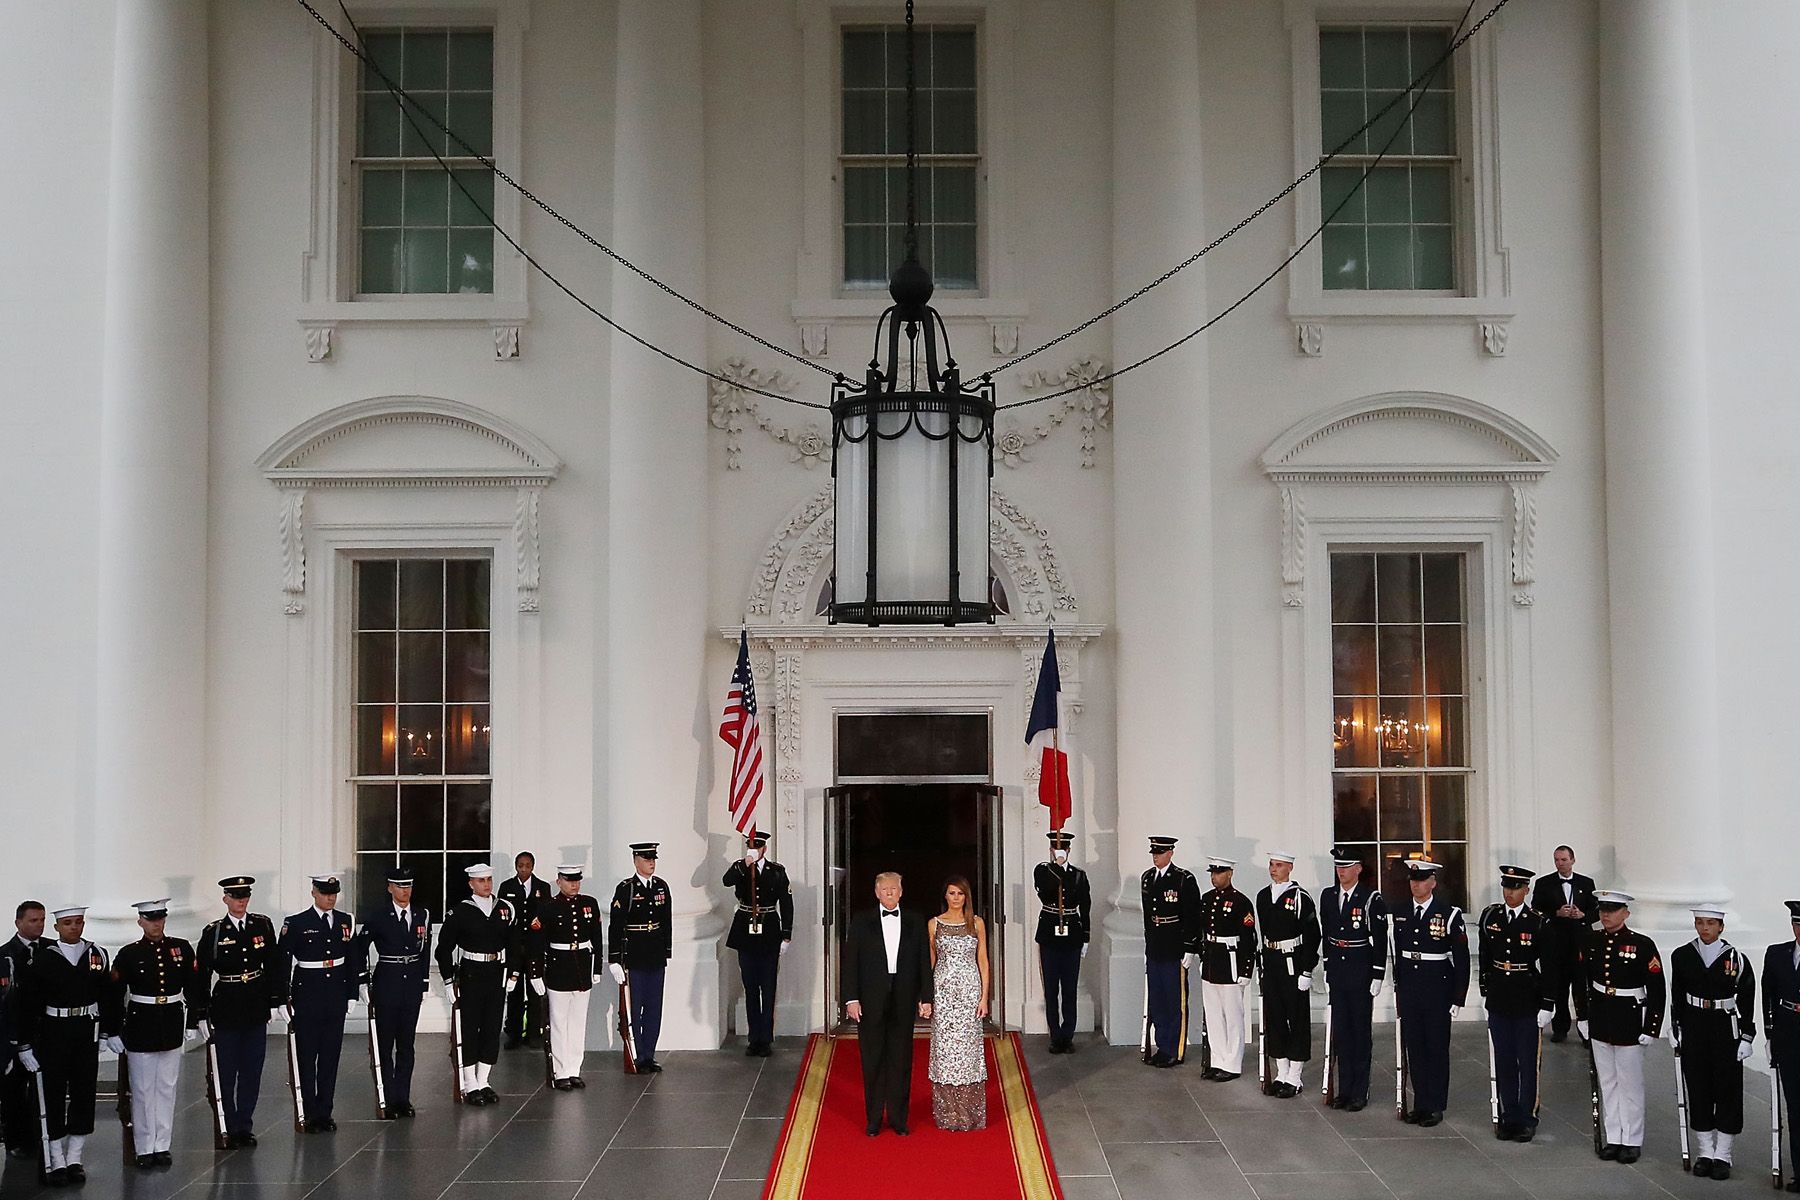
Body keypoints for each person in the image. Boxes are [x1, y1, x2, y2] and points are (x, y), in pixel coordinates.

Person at [12, 905, 118, 1185]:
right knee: (54, 1092)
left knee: (84, 1090)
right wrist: (24, 1045)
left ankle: (75, 1157)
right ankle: (56, 1157)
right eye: (68, 923)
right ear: (57, 927)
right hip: (54, 1031)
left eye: (79, 922)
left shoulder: (97, 954)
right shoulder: (43, 959)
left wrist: (108, 1031)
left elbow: (107, 995)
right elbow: (27, 1005)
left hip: (86, 1030)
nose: (74, 927)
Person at [109, 899, 201, 1169]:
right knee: (142, 1089)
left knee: (167, 1087)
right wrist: (112, 1030)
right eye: (150, 919)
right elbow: (116, 994)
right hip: (141, 1023)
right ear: (140, 922)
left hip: (171, 1020)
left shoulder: (180, 948)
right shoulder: (128, 954)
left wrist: (192, 1020)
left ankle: (162, 1144)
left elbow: (192, 986)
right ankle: (143, 1145)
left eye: (160, 918)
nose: (156, 924)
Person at [1573, 889, 1664, 1164]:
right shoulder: (1590, 940)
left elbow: (1657, 989)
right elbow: (1582, 981)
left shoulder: (1642, 944)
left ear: (1626, 913)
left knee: (1630, 1084)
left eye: (1612, 910)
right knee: (1608, 1082)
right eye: (1602, 910)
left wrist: (1651, 1027)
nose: (1606, 915)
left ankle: (1632, 1139)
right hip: (1601, 1015)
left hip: (1629, 1018)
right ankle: (1614, 1137)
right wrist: (1583, 1016)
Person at [193, 875, 282, 1147]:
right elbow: (201, 974)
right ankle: (227, 1124)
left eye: (245, 896)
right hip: (227, 1005)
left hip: (255, 1004)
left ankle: (244, 1125)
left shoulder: (262, 925)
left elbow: (274, 964)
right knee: (226, 1070)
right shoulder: (214, 932)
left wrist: (276, 1000)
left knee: (252, 1069)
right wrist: (200, 1012)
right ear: (226, 900)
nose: (241, 901)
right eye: (235, 897)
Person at [841, 872, 933, 1136]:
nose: (890, 893)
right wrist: (851, 998)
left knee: (901, 1059)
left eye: (894, 889)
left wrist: (926, 997)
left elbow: (923, 964)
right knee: (872, 1059)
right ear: (877, 893)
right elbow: (851, 963)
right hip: (870, 1000)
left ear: (901, 892)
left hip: (903, 998)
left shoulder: (915, 921)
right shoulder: (861, 921)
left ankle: (898, 1118)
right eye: (885, 889)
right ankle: (873, 1119)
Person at [1672, 903, 1756, 1180]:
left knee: (1727, 1089)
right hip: (1695, 1024)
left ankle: (1724, 1154)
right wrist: (1676, 1027)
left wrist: (1747, 1035)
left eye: (1710, 923)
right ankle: (1705, 1151)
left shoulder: (1737, 958)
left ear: (1721, 926)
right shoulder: (1682, 955)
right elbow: (1678, 995)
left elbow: (1746, 999)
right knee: (1698, 1086)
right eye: (1700, 923)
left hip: (1724, 1027)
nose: (1705, 928)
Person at [278, 871, 365, 1132]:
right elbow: (282, 962)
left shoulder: (344, 921)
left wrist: (352, 992)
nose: (330, 898)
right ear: (314, 893)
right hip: (308, 994)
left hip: (336, 993)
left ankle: (325, 1112)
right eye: (325, 893)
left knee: (330, 1055)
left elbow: (353, 958)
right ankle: (308, 1112)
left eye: (334, 894)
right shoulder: (296, 922)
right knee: (307, 1055)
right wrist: (282, 999)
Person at [1477, 865, 1554, 1142]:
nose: (1510, 893)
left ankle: (1527, 1116)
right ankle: (1508, 1114)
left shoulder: (1537, 921)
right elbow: (1485, 953)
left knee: (1527, 1061)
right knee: (1504, 1059)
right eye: (1507, 887)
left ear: (1526, 890)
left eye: (1515, 887)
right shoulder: (1491, 916)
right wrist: (1485, 986)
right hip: (1500, 995)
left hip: (1526, 996)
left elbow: (1549, 964)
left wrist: (1547, 1003)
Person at [1392, 858, 1468, 1127]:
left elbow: (1461, 959)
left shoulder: (1448, 913)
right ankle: (1420, 1102)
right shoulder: (1401, 912)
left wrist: (1459, 997)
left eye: (1422, 880)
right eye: (1413, 880)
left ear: (1433, 883)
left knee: (1435, 1048)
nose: (1416, 884)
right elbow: (1399, 954)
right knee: (1415, 1048)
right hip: (1411, 988)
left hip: (1437, 988)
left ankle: (1435, 1105)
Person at [436, 863, 520, 1104]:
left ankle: (484, 1080)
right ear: (471, 883)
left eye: (489, 880)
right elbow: (444, 949)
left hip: (496, 972)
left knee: (492, 1027)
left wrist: (513, 973)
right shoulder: (460, 912)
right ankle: (469, 1082)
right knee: (470, 1028)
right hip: (471, 972)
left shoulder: (505, 908)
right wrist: (448, 980)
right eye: (481, 881)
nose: (486, 885)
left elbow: (514, 943)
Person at [356, 868, 431, 1118]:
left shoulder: (421, 914)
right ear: (389, 888)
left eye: (408, 886)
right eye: (399, 886)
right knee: (384, 1044)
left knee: (406, 1045)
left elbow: (425, 949)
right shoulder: (378, 915)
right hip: (387, 981)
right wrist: (362, 981)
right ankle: (386, 1096)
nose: (405, 891)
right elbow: (360, 948)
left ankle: (403, 1098)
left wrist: (423, 981)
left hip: (410, 986)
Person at [1320, 847, 1388, 1110]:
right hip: (1338, 969)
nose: (1341, 871)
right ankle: (1344, 1089)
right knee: (1341, 1033)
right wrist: (1327, 966)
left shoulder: (1371, 898)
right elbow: (1327, 934)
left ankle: (1359, 1091)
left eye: (1347, 867)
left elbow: (1380, 938)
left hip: (1360, 971)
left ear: (1358, 868)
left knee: (1360, 1033)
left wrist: (1378, 973)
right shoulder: (1328, 896)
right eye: (1338, 866)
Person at [1256, 850, 1320, 1096]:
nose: (1274, 869)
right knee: (1276, 1017)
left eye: (1279, 865)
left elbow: (1313, 934)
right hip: (1272, 962)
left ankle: (1295, 1076)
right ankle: (1281, 1072)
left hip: (1293, 963)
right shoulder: (1263, 896)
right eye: (1271, 864)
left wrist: (1306, 969)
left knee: (1297, 1018)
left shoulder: (1300, 897)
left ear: (1290, 868)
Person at [723, 833, 793, 1058]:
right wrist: (746, 864)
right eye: (751, 846)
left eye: (758, 846)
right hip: (746, 932)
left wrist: (786, 935)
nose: (754, 849)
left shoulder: (776, 871)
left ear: (765, 847)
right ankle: (754, 1038)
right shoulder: (741, 868)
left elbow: (787, 903)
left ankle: (766, 1037)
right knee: (750, 987)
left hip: (769, 930)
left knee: (768, 986)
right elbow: (727, 880)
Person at [532, 864, 603, 1088]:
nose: (574, 884)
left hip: (582, 968)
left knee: (578, 1022)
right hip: (558, 968)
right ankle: (560, 1071)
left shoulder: (589, 904)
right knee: (559, 1022)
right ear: (558, 882)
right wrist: (535, 973)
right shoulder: (548, 907)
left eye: (577, 880)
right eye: (569, 880)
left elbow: (597, 939)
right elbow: (536, 943)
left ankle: (574, 1068)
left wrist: (597, 967)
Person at [928, 877, 990, 1132]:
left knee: (968, 1052)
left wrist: (984, 997)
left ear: (967, 897)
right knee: (945, 1052)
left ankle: (969, 1112)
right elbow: (931, 962)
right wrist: (927, 998)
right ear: (945, 896)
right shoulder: (934, 924)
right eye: (951, 893)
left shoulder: (976, 923)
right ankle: (948, 1113)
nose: (955, 898)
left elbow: (983, 961)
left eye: (960, 893)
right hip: (943, 992)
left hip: (969, 992)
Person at [608, 843, 673, 1074]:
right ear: (636, 860)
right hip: (634, 955)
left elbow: (666, 920)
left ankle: (649, 1054)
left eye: (653, 858)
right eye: (646, 859)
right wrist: (614, 959)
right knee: (635, 1008)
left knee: (654, 1007)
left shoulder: (661, 887)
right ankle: (636, 1054)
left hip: (655, 955)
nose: (651, 863)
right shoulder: (626, 889)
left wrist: (667, 950)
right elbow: (616, 925)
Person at [1141, 836, 1201, 1068]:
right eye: (1154, 852)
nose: (1156, 855)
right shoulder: (1147, 878)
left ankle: (1174, 1049)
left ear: (1171, 853)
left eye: (1160, 851)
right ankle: (1161, 1045)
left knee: (1175, 1000)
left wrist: (1190, 947)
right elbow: (1148, 915)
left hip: (1174, 945)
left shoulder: (1183, 879)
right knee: (1158, 1000)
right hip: (1156, 946)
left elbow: (1192, 915)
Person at [1195, 856, 1255, 1082]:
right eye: (1212, 873)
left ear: (1230, 873)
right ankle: (1217, 1060)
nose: (1214, 877)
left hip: (1231, 961)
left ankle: (1232, 1063)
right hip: (1211, 961)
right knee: (1213, 1015)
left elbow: (1249, 938)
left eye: (1219, 873)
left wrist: (1246, 969)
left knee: (1232, 1015)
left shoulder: (1240, 901)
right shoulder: (1207, 899)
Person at [1531, 846, 1598, 1042]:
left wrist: (1583, 915)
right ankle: (1560, 1028)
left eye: (1563, 859)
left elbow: (1596, 909)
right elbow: (1536, 909)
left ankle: (1585, 1029)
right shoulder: (1544, 883)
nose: (1560, 863)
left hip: (1579, 942)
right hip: (1555, 941)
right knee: (1558, 986)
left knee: (1581, 986)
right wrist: (1556, 913)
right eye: (1557, 860)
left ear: (1573, 860)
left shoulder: (1586, 883)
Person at [1033, 831, 1090, 1056]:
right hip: (1049, 936)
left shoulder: (1078, 875)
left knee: (1069, 988)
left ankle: (1068, 1035)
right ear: (1050, 851)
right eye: (1056, 850)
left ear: (1068, 851)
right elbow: (1045, 890)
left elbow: (1085, 906)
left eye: (1063, 850)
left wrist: (1086, 936)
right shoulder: (1043, 871)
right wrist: (1056, 865)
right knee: (1051, 988)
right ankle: (1055, 1035)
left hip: (1072, 936)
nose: (1060, 853)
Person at [1, 901, 45, 1161]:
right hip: (13, 1034)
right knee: (14, 1090)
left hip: (45, 1032)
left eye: (41, 920)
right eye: (32, 920)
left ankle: (41, 1136)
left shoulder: (52, 950)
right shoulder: (4, 955)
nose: (38, 925)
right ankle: (16, 1140)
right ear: (18, 922)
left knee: (44, 1090)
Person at [1762, 900, 1800, 1194]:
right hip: (1789, 1035)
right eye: (1797, 923)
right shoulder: (1777, 954)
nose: (1799, 930)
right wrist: (1770, 1033)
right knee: (1795, 1108)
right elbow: (1769, 994)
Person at [498, 852, 549, 1050]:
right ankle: (514, 1033)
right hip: (514, 947)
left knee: (536, 992)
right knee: (515, 992)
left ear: (533, 866)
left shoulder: (542, 887)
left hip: (535, 947)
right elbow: (503, 914)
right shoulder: (507, 887)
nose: (524, 869)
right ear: (516, 866)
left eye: (527, 865)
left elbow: (544, 916)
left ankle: (534, 1033)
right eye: (521, 865)